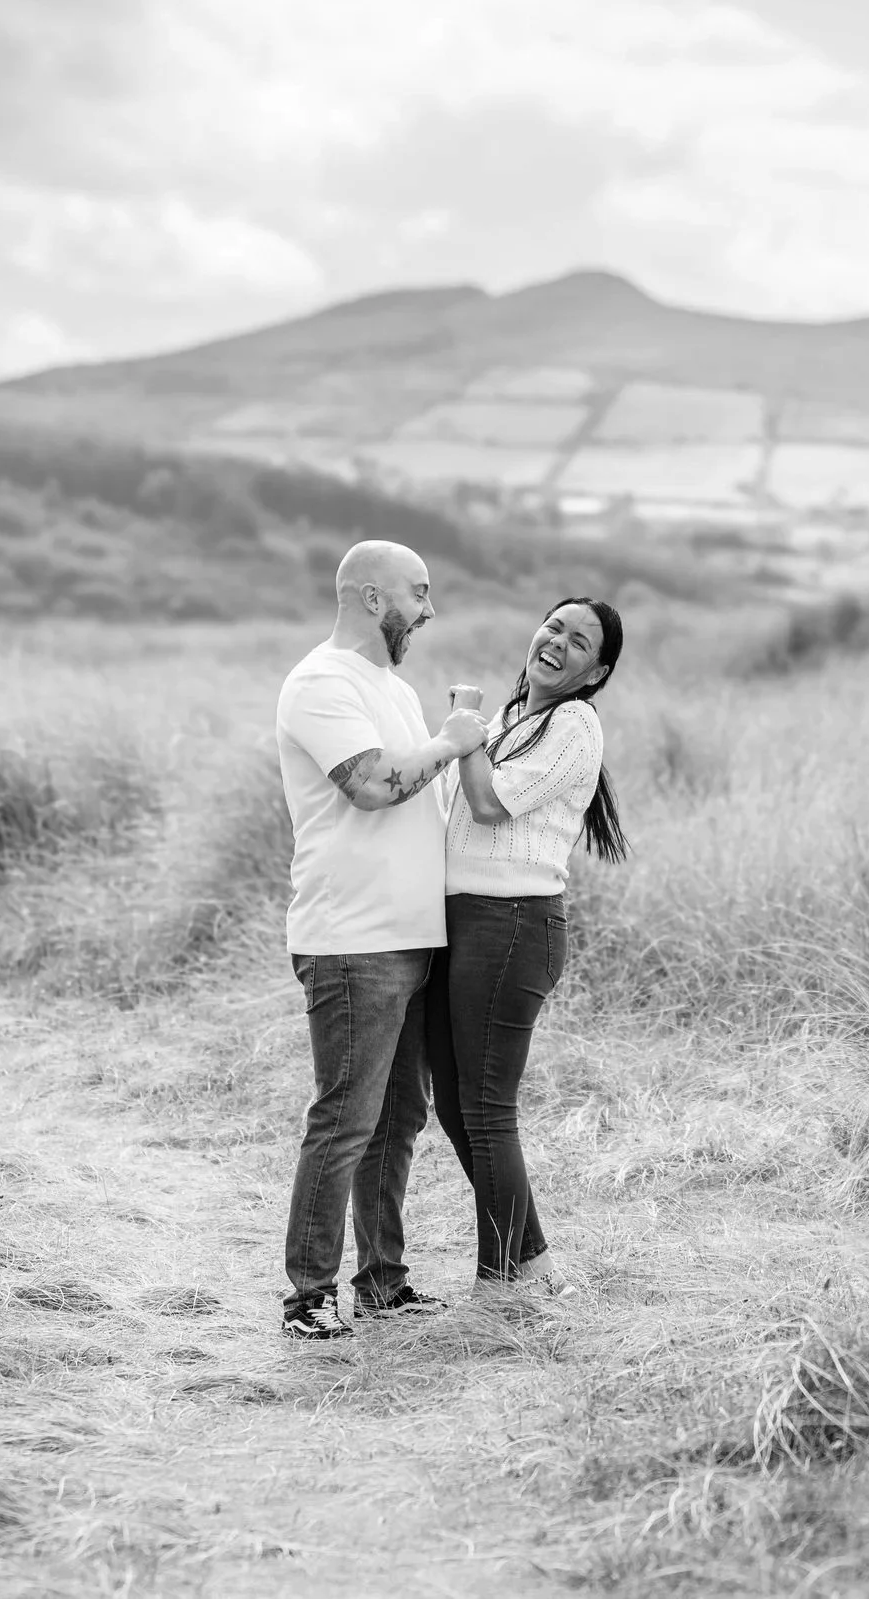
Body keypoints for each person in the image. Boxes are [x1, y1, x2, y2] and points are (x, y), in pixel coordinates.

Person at [272, 540, 489, 1341]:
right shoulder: (321, 682)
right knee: (345, 1119)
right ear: (371, 597)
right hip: (352, 939)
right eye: (419, 592)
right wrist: (451, 741)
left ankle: (383, 1283)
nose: (429, 609)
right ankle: (308, 1296)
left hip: (410, 939)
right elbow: (369, 786)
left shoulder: (390, 687)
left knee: (397, 1119)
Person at [431, 597, 629, 1300]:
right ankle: (533, 1264)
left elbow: (487, 805)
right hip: (466, 921)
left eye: (579, 642)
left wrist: (464, 734)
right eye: (554, 626)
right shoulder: (514, 718)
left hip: (510, 924)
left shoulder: (574, 723)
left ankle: (498, 1287)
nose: (557, 642)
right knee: (456, 1106)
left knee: (486, 1109)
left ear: (595, 671)